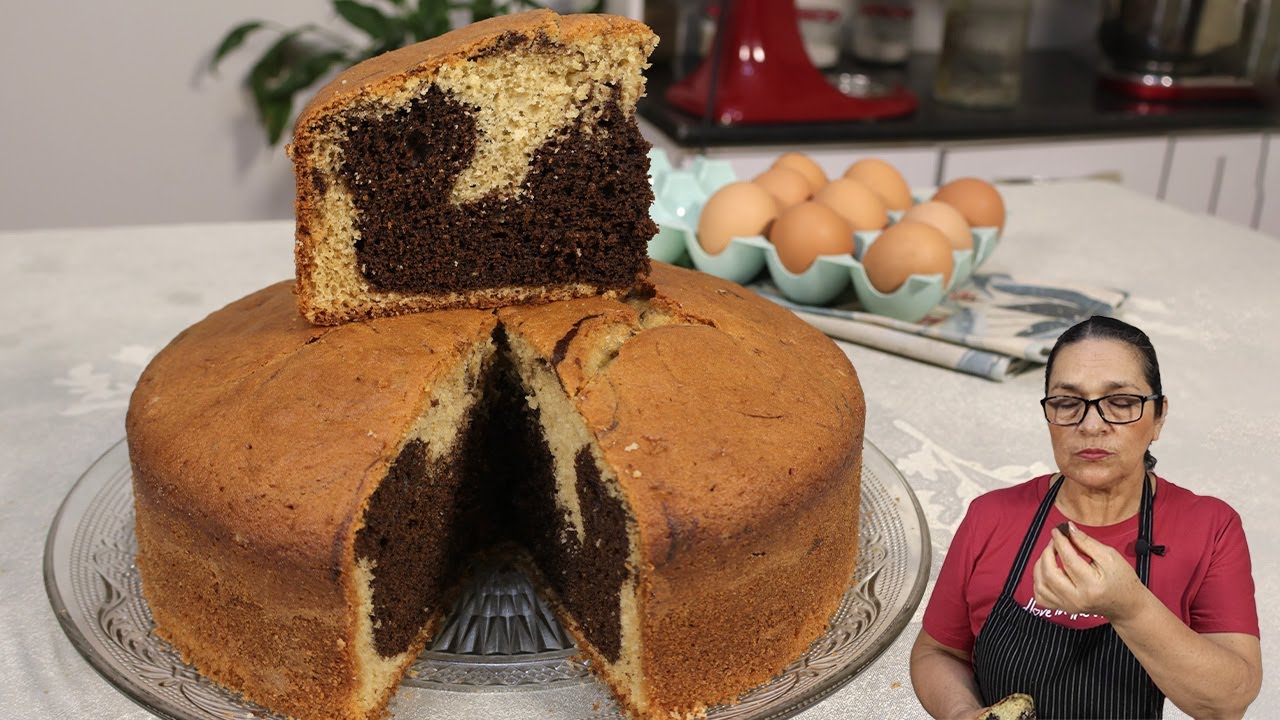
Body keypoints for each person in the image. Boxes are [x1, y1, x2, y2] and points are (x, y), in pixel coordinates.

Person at [909, 316, 1261, 719]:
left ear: (1159, 417)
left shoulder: (1210, 528)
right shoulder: (991, 516)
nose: (1091, 425)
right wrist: (961, 714)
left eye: (1121, 403)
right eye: (1067, 403)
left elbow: (1229, 702)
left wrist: (1129, 607)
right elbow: (938, 652)